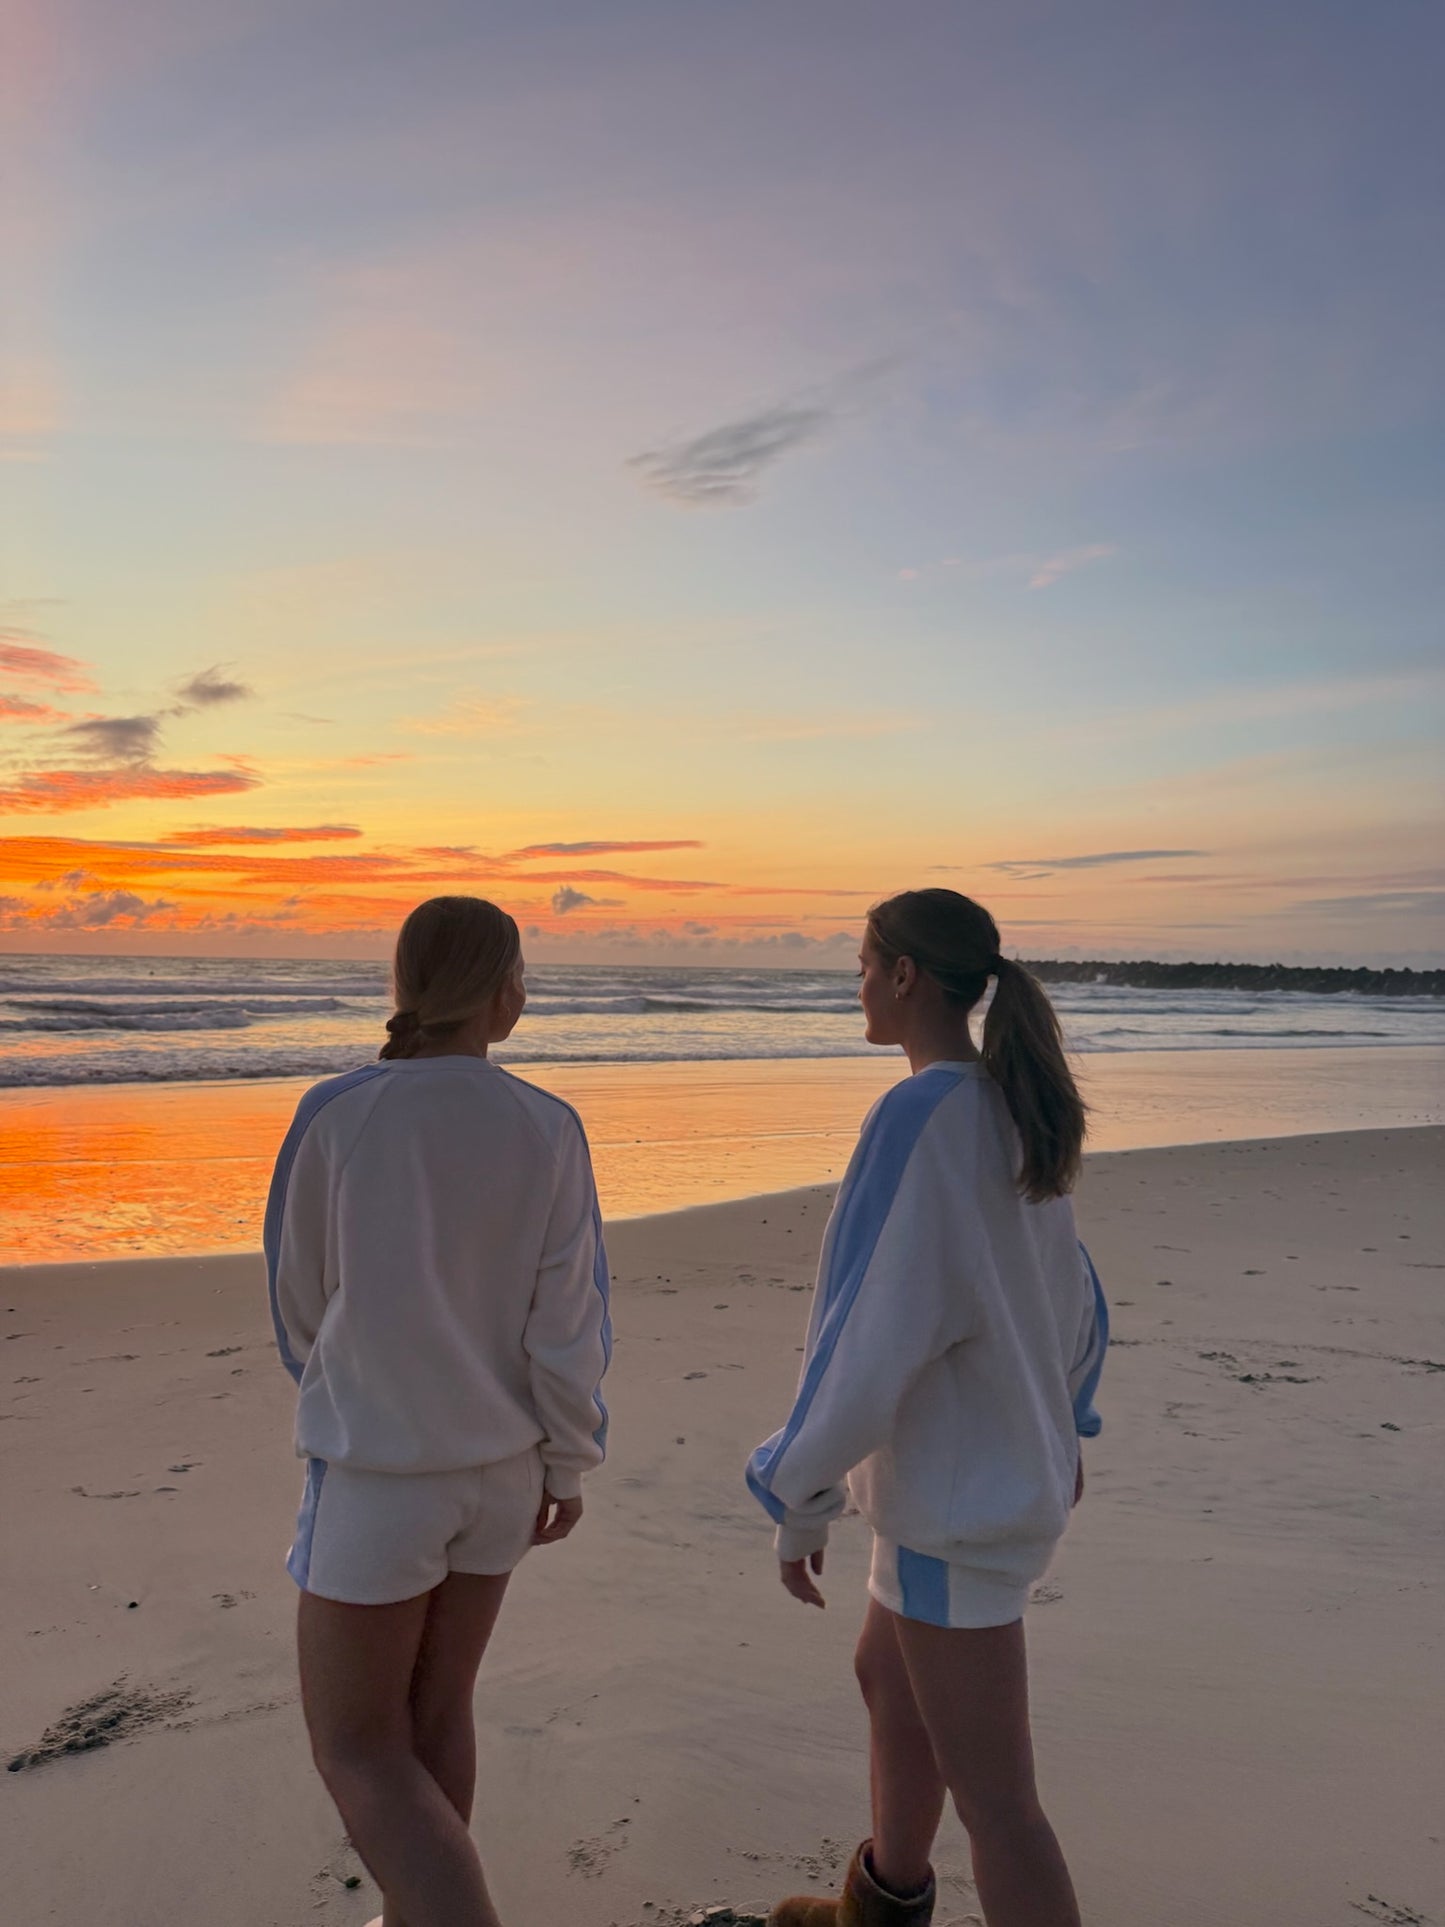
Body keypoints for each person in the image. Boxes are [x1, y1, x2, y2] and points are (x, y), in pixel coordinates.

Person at [747, 889, 1107, 1927]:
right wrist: (1065, 1418)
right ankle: (884, 1901)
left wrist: (796, 1490)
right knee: (883, 1672)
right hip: (975, 1479)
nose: (854, 984)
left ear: (904, 976)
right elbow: (1073, 1295)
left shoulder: (920, 1114)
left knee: (999, 1804)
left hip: (959, 1496)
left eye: (862, 963)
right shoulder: (1003, 1101)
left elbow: (861, 1331)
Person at [265, 896, 612, 1927]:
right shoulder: (547, 1125)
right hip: (502, 1472)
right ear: (500, 991)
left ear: (405, 984)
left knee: (355, 1744)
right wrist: (566, 1460)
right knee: (435, 1710)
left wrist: (351, 1384)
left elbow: (299, 1301)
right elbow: (568, 1323)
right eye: (520, 971)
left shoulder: (338, 1113)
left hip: (379, 1471)